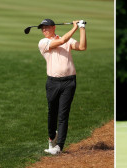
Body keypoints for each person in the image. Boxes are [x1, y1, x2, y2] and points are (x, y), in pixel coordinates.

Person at [37, 18, 86, 155]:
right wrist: (74, 27)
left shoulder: (67, 40)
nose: (44, 30)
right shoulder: (43, 42)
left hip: (69, 82)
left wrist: (82, 28)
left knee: (63, 114)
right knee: (52, 112)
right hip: (52, 82)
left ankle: (59, 147)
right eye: (42, 28)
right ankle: (52, 137)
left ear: (53, 27)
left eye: (46, 27)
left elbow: (82, 47)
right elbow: (62, 41)